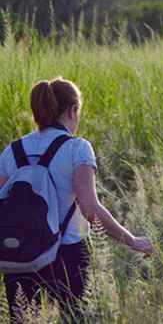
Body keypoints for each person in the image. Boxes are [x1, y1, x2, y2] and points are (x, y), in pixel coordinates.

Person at [0, 78, 153, 323]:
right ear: (72, 110)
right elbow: (90, 209)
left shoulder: (12, 151)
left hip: (19, 255)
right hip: (67, 254)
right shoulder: (78, 149)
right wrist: (132, 240)